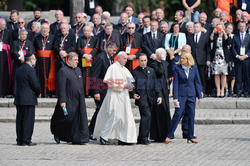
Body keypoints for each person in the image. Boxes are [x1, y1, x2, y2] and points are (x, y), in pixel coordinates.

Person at [93, 51, 137, 145]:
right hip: (114, 95)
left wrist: (130, 87)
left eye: (126, 58)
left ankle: (124, 138)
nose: (126, 60)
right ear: (119, 58)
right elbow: (108, 82)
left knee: (125, 117)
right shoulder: (112, 68)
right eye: (124, 58)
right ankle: (104, 136)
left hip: (124, 97)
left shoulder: (125, 69)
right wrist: (123, 86)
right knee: (114, 116)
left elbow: (131, 83)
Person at [51, 52, 89, 145]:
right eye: (75, 60)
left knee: (78, 119)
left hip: (78, 99)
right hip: (68, 99)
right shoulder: (63, 71)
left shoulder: (78, 70)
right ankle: (57, 132)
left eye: (77, 60)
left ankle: (77, 138)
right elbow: (61, 87)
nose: (77, 62)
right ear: (69, 60)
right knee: (68, 117)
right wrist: (62, 100)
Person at [165, 52, 202, 144]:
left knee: (191, 115)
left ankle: (190, 136)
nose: (181, 60)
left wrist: (199, 95)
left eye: (184, 58)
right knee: (178, 114)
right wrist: (175, 98)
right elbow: (176, 84)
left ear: (188, 60)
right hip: (181, 95)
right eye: (181, 58)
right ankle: (169, 135)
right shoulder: (177, 68)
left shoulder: (194, 68)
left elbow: (197, 81)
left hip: (191, 94)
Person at [88, 42, 118, 139]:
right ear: (108, 48)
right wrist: (95, 91)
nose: (114, 53)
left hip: (106, 89)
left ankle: (98, 129)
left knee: (103, 110)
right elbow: (94, 75)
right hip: (99, 89)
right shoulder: (100, 57)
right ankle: (90, 130)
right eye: (113, 50)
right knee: (100, 110)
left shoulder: (110, 58)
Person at [131, 53, 162, 145]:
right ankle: (143, 138)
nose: (143, 62)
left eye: (145, 60)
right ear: (138, 61)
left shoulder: (151, 71)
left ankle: (142, 137)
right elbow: (130, 85)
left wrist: (159, 95)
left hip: (151, 98)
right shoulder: (134, 72)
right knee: (146, 116)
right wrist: (133, 94)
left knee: (147, 117)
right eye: (141, 61)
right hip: (141, 98)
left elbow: (156, 83)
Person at [14, 53, 41, 146]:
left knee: (20, 120)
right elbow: (35, 84)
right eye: (34, 59)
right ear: (30, 60)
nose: (35, 60)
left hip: (19, 98)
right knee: (28, 121)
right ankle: (26, 140)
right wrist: (39, 93)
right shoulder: (31, 70)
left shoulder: (19, 69)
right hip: (29, 99)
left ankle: (20, 140)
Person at [148, 48, 171, 142]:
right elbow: (160, 72)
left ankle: (167, 133)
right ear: (158, 55)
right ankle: (158, 135)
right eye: (164, 54)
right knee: (159, 112)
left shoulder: (165, 63)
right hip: (157, 90)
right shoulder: (153, 64)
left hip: (165, 90)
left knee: (166, 112)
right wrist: (161, 61)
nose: (165, 55)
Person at [187, 22, 211, 94]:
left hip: (202, 59)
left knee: (202, 76)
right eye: (194, 27)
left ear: (201, 28)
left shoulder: (205, 36)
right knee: (193, 76)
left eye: (197, 27)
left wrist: (208, 59)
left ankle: (202, 90)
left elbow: (208, 49)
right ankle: (194, 91)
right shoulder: (189, 37)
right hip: (193, 60)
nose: (196, 28)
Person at [34, 23, 56, 98]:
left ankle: (48, 93)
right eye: (43, 28)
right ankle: (41, 93)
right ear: (41, 29)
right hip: (39, 61)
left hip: (50, 60)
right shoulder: (37, 38)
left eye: (46, 28)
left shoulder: (53, 37)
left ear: (49, 30)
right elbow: (35, 49)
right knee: (40, 76)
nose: (45, 30)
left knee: (49, 76)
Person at [11, 30, 35, 94]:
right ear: (19, 35)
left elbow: (31, 52)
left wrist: (25, 58)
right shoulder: (15, 42)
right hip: (17, 63)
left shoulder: (29, 43)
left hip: (27, 63)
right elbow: (14, 52)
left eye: (25, 35)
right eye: (23, 34)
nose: (24, 36)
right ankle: (15, 92)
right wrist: (19, 58)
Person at [76, 25, 98, 97]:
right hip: (83, 60)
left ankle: (91, 92)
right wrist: (85, 55)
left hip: (92, 60)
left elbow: (96, 48)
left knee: (91, 75)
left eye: (88, 31)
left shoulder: (95, 39)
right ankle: (84, 93)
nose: (86, 32)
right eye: (85, 31)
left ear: (91, 31)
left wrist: (90, 55)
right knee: (83, 76)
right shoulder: (80, 39)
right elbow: (78, 48)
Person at [210, 23, 231, 97]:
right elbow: (211, 40)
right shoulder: (215, 36)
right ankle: (218, 90)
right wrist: (213, 32)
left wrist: (224, 32)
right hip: (216, 56)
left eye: (220, 28)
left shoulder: (226, 35)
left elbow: (228, 41)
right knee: (216, 73)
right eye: (218, 28)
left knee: (223, 73)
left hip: (223, 56)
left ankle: (223, 89)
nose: (219, 30)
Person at [232, 21, 250, 97]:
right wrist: (237, 56)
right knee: (238, 76)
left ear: (246, 27)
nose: (242, 28)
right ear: (238, 27)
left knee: (247, 76)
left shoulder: (249, 36)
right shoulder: (235, 36)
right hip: (238, 59)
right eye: (241, 26)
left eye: (243, 26)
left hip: (247, 59)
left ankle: (246, 91)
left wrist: (246, 55)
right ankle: (239, 91)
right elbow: (233, 47)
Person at [0, 18, 12, 97]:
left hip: (5, 56)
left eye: (5, 24)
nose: (4, 26)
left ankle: (4, 92)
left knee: (4, 73)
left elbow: (10, 43)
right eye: (3, 24)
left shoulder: (8, 32)